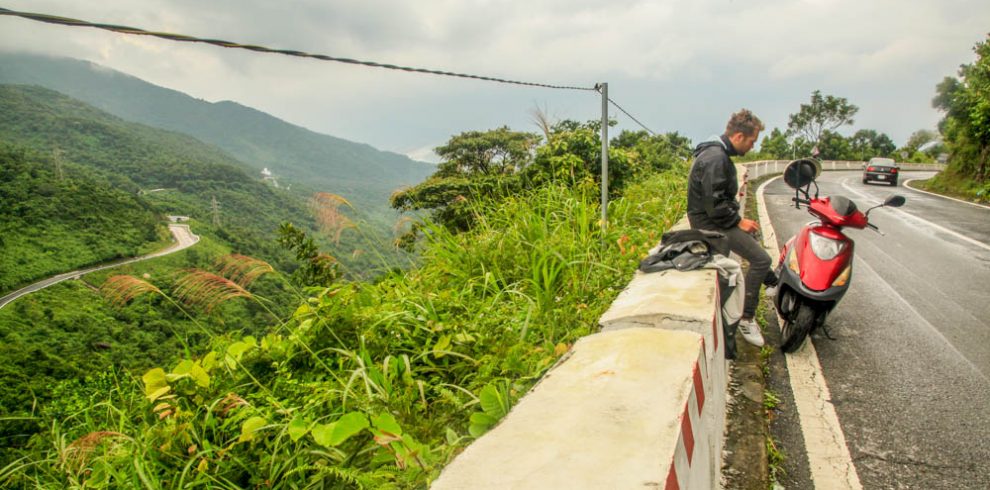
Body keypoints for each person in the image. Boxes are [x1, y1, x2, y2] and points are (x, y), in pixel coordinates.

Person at [687, 109, 778, 347]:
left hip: (715, 220)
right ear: (738, 136)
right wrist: (738, 221)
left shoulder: (716, 153)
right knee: (760, 260)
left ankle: (772, 282)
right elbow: (714, 203)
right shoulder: (716, 158)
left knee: (753, 235)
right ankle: (747, 318)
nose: (752, 147)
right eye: (751, 141)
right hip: (712, 225)